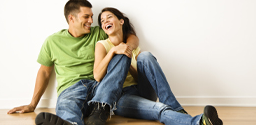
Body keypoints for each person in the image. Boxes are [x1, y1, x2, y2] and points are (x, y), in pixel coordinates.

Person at [7, 0, 139, 125]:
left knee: (118, 54)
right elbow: (44, 73)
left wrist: (127, 48)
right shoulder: (52, 41)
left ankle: (99, 112)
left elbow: (130, 36)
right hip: (71, 90)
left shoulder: (98, 33)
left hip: (98, 87)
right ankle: (72, 123)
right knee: (67, 107)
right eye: (86, 17)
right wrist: (32, 104)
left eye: (92, 17)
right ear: (71, 18)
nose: (91, 21)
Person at [89, 7, 223, 125]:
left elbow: (138, 77)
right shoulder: (103, 45)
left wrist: (127, 62)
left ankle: (174, 106)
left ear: (121, 21)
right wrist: (113, 51)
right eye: (102, 21)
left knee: (145, 56)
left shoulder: (132, 46)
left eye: (109, 17)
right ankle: (200, 122)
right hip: (121, 97)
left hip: (140, 90)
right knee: (159, 109)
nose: (105, 21)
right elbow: (97, 76)